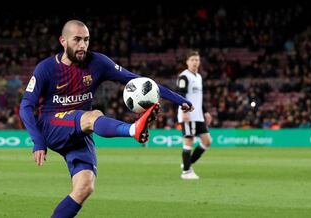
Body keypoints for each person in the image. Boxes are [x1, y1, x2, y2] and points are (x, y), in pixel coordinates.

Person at [19, 20, 194, 218]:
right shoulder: (46, 68)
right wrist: (38, 141)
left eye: (86, 40)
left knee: (84, 187)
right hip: (52, 125)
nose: (83, 45)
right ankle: (132, 130)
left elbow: (137, 80)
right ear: (63, 41)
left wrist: (178, 99)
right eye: (77, 40)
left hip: (79, 131)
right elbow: (25, 107)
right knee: (94, 116)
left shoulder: (97, 62)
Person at [176, 50, 212, 180]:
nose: (195, 62)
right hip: (188, 115)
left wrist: (205, 111)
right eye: (192, 60)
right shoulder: (184, 76)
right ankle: (186, 172)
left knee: (207, 141)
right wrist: (184, 112)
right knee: (189, 140)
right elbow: (181, 95)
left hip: (198, 116)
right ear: (187, 62)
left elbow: (198, 98)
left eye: (197, 60)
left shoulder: (199, 77)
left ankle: (187, 163)